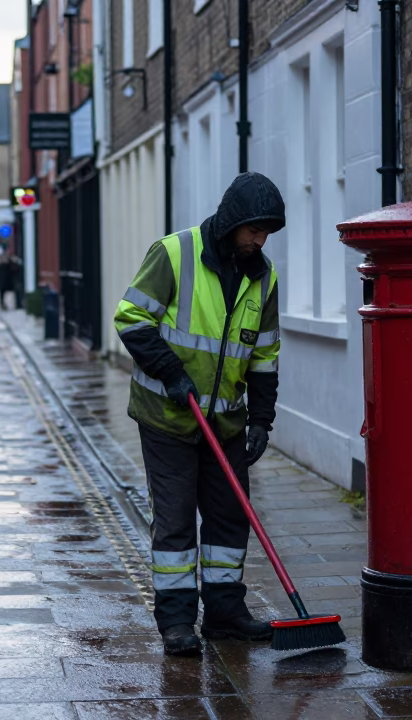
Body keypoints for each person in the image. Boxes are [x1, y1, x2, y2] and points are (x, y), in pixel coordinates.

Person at [113, 171, 284, 657]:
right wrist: (171, 372)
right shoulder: (174, 254)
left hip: (226, 423)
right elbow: (131, 317)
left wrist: (260, 421)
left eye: (267, 231)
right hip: (168, 417)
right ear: (232, 221)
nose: (260, 239)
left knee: (230, 520)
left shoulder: (263, 276)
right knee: (175, 523)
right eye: (254, 229)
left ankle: (226, 614)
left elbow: (265, 354)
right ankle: (176, 623)